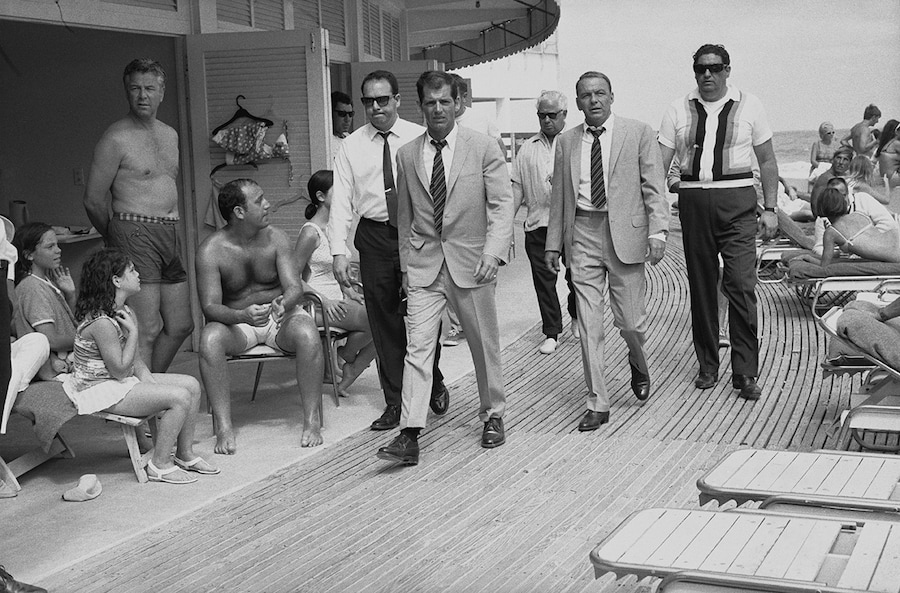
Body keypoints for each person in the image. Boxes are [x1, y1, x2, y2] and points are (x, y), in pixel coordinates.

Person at [376, 71, 514, 465]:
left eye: (444, 102)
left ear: (459, 104)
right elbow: (404, 218)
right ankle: (409, 433)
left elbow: (502, 204)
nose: (437, 109)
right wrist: (406, 267)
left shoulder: (484, 147)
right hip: (423, 266)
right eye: (430, 103)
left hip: (473, 264)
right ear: (420, 108)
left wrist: (493, 252)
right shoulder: (407, 154)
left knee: (482, 344)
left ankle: (493, 414)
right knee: (417, 349)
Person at [545, 71, 668, 431]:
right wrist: (554, 243)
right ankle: (597, 401)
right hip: (581, 232)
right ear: (578, 101)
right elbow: (559, 198)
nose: (594, 100)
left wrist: (658, 231)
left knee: (631, 322)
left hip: (625, 237)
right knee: (588, 323)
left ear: (612, 96)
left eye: (600, 93)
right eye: (586, 95)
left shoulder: (639, 133)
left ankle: (637, 358)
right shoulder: (567, 142)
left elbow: (654, 187)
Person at [328, 69, 449, 432]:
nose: (376, 107)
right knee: (384, 323)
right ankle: (395, 402)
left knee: (423, 315)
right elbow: (341, 202)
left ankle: (433, 378)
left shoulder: (418, 136)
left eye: (383, 100)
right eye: (369, 101)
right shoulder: (351, 145)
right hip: (375, 237)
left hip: (416, 236)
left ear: (397, 100)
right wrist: (337, 250)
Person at [659, 43, 779, 401]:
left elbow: (768, 161)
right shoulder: (678, 109)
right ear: (694, 71)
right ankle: (708, 364)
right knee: (701, 285)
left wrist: (770, 208)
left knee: (741, 285)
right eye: (700, 69)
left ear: (728, 69)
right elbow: (657, 163)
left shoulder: (750, 105)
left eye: (714, 68)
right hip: (694, 202)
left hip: (738, 203)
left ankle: (745, 372)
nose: (707, 74)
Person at [62, 248, 217, 484]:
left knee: (191, 386)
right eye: (132, 270)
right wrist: (134, 333)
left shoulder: (124, 311)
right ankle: (160, 465)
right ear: (116, 280)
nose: (138, 274)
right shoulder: (102, 322)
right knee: (179, 398)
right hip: (99, 389)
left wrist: (153, 387)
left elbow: (136, 364)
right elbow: (120, 370)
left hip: (117, 381)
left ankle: (184, 454)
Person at [197, 179, 325, 454]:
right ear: (239, 212)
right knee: (209, 339)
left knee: (308, 332)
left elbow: (293, 286)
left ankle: (312, 420)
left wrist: (284, 303)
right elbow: (209, 306)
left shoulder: (277, 238)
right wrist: (241, 313)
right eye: (259, 200)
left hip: (279, 318)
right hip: (238, 322)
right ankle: (223, 425)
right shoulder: (211, 250)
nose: (268, 204)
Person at [83, 58, 192, 374]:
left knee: (181, 325)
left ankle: (147, 388)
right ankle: (143, 407)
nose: (142, 96)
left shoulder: (170, 134)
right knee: (145, 328)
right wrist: (114, 237)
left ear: (162, 92)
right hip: (133, 229)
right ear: (126, 92)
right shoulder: (115, 137)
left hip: (170, 232)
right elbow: (92, 199)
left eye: (149, 88)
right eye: (135, 89)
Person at [295, 170, 375, 395]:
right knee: (379, 320)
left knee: (388, 321)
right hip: (316, 305)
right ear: (321, 197)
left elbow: (337, 273)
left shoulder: (336, 229)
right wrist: (324, 300)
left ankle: (348, 363)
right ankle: (346, 358)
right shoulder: (311, 233)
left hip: (339, 302)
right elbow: (291, 278)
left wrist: (349, 290)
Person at [511, 90, 578, 355]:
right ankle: (552, 332)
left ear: (564, 114)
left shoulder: (575, 142)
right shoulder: (527, 148)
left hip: (571, 225)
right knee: (544, 282)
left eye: (552, 115)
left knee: (578, 277)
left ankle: (576, 313)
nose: (547, 120)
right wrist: (506, 228)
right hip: (538, 224)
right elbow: (516, 188)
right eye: (542, 115)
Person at [12, 223, 77, 381]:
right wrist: (89, 339)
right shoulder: (33, 287)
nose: (58, 250)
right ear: (29, 255)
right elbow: (50, 339)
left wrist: (70, 295)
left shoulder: (45, 281)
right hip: (54, 374)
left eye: (57, 244)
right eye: (50, 246)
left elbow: (65, 326)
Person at [816, 186, 900, 266]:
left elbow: (824, 265)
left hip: (894, 256)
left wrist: (808, 258)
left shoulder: (831, 232)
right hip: (895, 237)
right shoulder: (859, 214)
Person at [808, 121, 836, 188]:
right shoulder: (817, 144)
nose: (831, 134)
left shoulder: (835, 144)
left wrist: (829, 169)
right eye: (829, 133)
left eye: (833, 132)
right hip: (817, 170)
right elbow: (813, 160)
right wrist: (822, 168)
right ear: (822, 134)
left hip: (830, 171)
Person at [331, 90, 354, 161]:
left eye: (350, 114)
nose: (347, 119)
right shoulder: (326, 142)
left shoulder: (351, 138)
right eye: (342, 114)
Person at [875, 119, 900, 184]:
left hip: (885, 180)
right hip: (894, 180)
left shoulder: (885, 145)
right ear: (896, 132)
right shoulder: (896, 144)